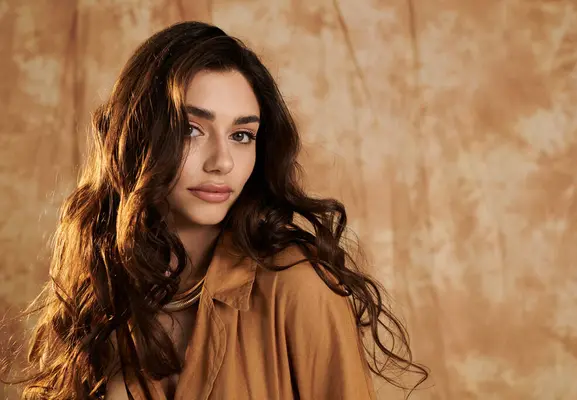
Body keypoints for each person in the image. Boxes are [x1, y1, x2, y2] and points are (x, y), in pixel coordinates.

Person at [1, 21, 427, 399]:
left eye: (242, 135)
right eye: (191, 129)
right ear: (139, 137)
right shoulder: (103, 290)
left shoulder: (299, 287)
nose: (222, 161)